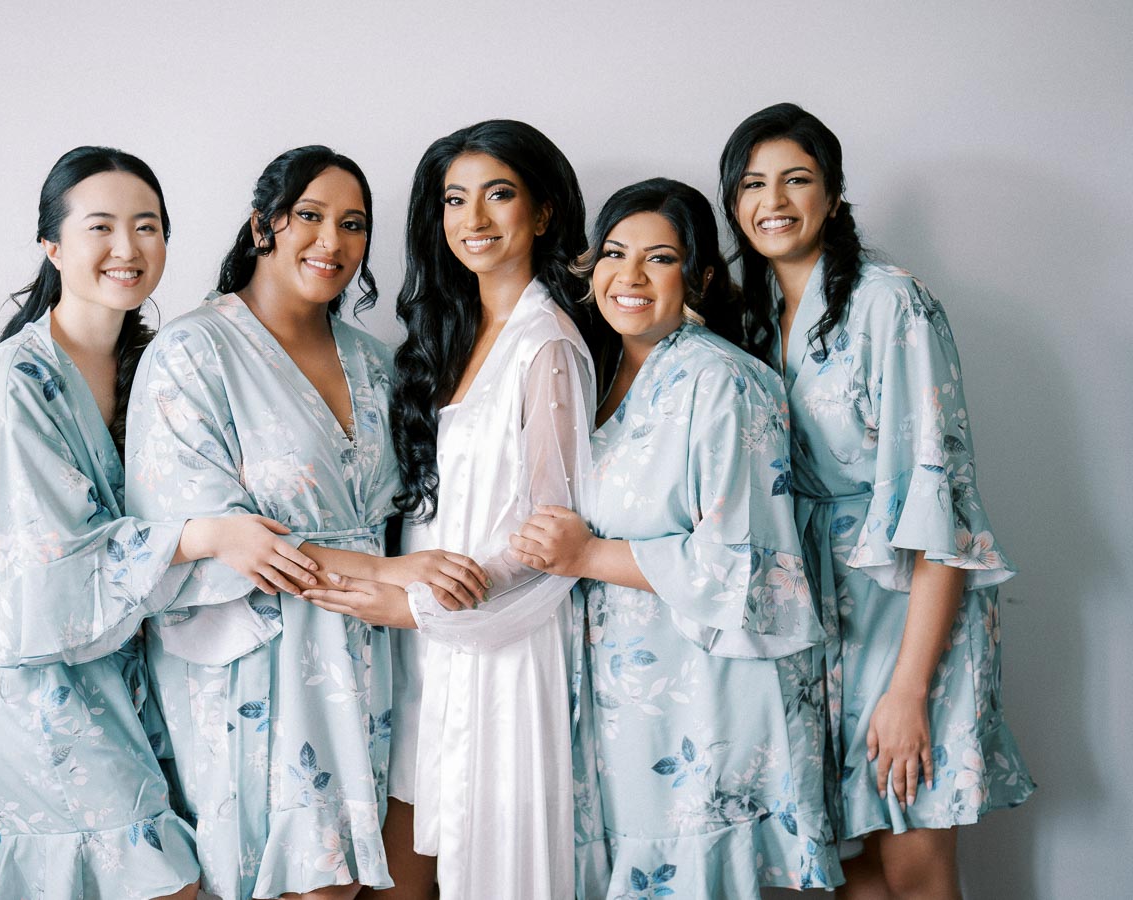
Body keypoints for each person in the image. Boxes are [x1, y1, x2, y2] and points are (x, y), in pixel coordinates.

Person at [124, 145, 486, 900]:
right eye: (310, 217)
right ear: (264, 225)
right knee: (290, 880)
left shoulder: (377, 362)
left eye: (353, 225)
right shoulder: (192, 352)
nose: (333, 242)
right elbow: (208, 539)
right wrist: (385, 573)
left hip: (368, 657)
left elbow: (404, 517)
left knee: (360, 882)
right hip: (257, 662)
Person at [0, 146, 309, 900]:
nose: (127, 249)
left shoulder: (156, 363)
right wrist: (205, 535)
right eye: (101, 227)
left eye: (147, 227)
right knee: (152, 877)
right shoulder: (14, 384)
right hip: (34, 670)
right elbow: (49, 559)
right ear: (52, 245)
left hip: (124, 662)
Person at [719, 103, 1034, 898]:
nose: (775, 201)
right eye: (753, 184)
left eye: (797, 179)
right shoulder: (750, 317)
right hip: (817, 618)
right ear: (731, 201)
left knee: (913, 861)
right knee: (844, 865)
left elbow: (942, 505)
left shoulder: (891, 303)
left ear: (833, 193)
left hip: (907, 610)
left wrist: (908, 688)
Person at [510, 177, 843, 898]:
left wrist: (587, 555)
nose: (629, 277)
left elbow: (749, 566)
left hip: (708, 699)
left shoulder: (726, 381)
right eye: (615, 254)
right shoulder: (591, 376)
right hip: (621, 700)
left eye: (658, 258)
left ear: (700, 276)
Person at [302, 120, 598, 900]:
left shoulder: (548, 346)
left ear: (541, 213)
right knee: (403, 878)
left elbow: (552, 548)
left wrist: (413, 606)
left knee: (490, 875)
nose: (473, 219)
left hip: (501, 651)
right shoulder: (447, 337)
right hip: (427, 658)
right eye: (453, 199)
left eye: (498, 195)